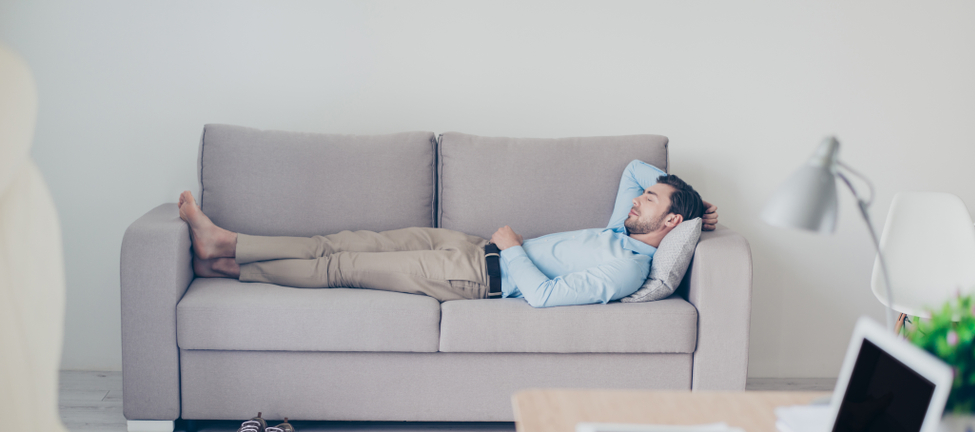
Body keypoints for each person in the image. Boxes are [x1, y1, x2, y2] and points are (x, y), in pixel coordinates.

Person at [179, 160, 717, 308]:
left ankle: (230, 266)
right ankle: (226, 242)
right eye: (644, 197)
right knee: (339, 241)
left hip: (475, 276)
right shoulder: (619, 230)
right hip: (464, 245)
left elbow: (547, 297)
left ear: (666, 223)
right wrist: (692, 207)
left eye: (650, 201)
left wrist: (511, 249)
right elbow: (634, 167)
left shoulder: (627, 267)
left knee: (339, 268)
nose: (637, 198)